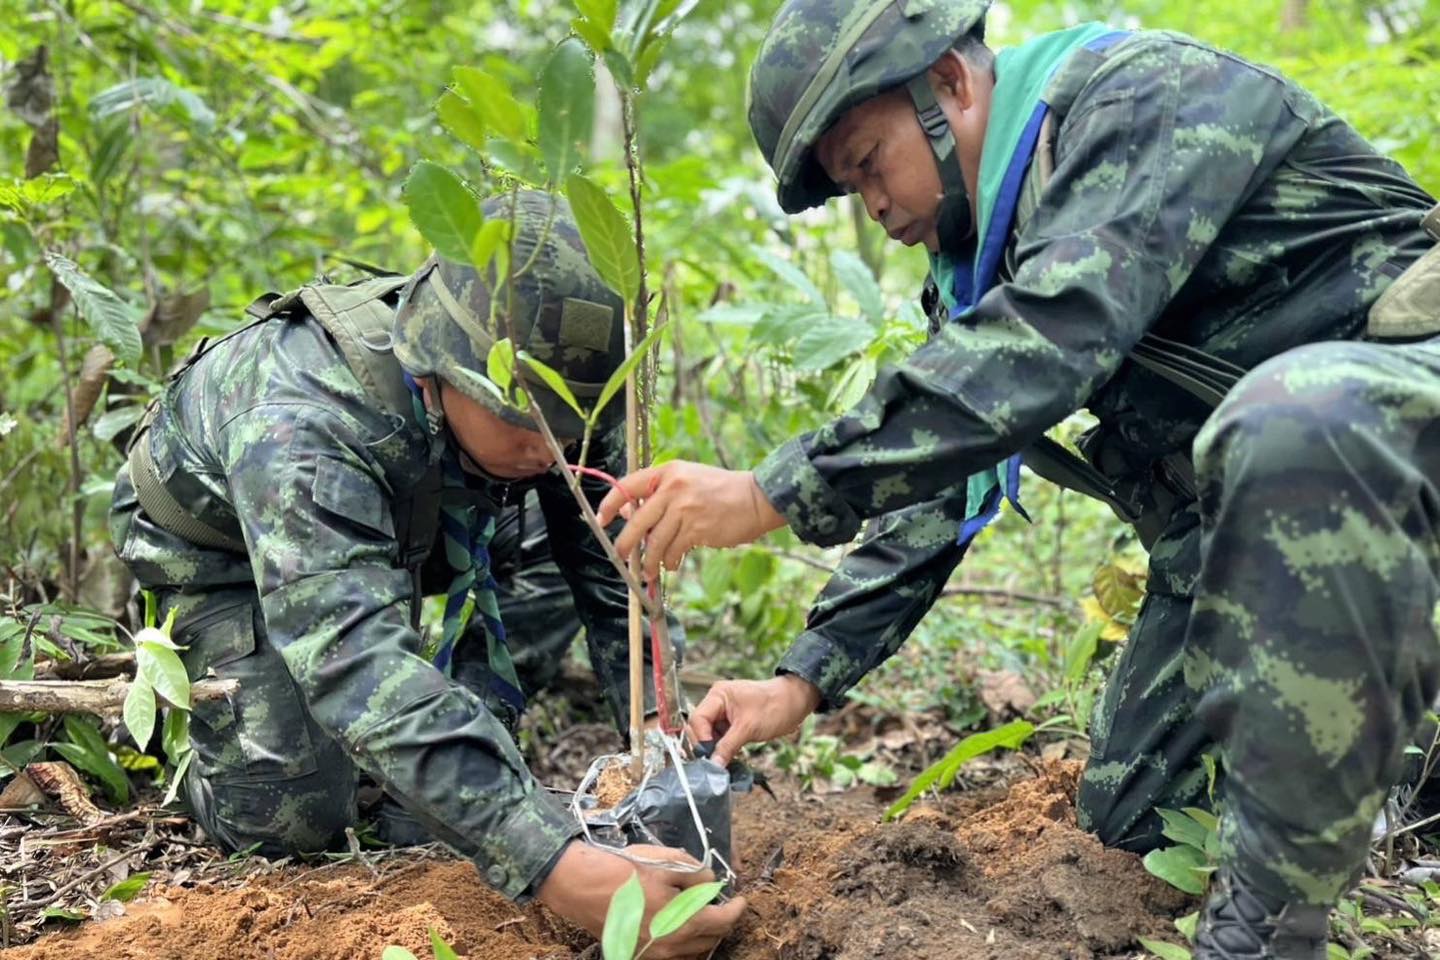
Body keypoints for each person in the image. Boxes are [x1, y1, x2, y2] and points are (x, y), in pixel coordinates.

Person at [596, 3, 1440, 958]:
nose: (873, 206)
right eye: (851, 189)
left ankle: (1267, 933)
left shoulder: (1140, 100)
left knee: (1294, 418)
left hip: (1398, 420)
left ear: (952, 84)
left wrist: (768, 493)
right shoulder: (980, 266)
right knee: (1131, 830)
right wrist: (801, 680)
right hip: (1254, 533)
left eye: (869, 163)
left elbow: (1046, 346)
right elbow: (945, 474)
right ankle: (1399, 735)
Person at [109, 189, 743, 956]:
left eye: (572, 421)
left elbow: (611, 576)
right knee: (293, 822)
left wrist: (660, 741)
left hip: (420, 518)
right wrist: (558, 864)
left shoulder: (553, 398)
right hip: (227, 556)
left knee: (438, 793)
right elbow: (352, 659)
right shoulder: (304, 422)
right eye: (526, 417)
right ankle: (219, 734)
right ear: (441, 365)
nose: (554, 445)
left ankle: (435, 732)